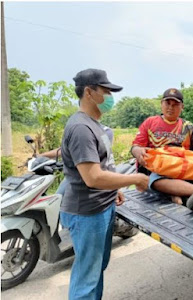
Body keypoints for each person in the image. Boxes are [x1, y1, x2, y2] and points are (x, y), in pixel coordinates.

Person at [60, 68, 149, 300]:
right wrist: (135, 179)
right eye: (106, 91)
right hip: (87, 212)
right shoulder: (81, 127)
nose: (110, 96)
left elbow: (104, 166)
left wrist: (116, 188)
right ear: (89, 92)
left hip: (103, 206)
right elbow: (93, 177)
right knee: (87, 276)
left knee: (97, 268)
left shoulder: (96, 125)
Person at [131, 88, 193, 205]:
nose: (171, 107)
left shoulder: (188, 126)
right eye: (167, 103)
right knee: (155, 180)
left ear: (182, 107)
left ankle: (178, 193)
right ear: (161, 104)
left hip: (182, 167)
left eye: (175, 104)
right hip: (160, 169)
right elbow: (135, 146)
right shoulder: (150, 122)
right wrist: (137, 150)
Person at [38, 125, 114, 196]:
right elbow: (64, 149)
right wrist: (41, 156)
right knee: (58, 197)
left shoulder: (105, 131)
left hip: (92, 176)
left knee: (60, 196)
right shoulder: (79, 129)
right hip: (75, 175)